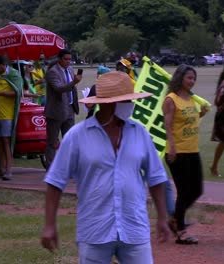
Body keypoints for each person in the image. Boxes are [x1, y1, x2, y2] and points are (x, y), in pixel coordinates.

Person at [41, 71, 170, 263]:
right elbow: (55, 182)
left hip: (134, 228)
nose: (131, 105)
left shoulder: (139, 133)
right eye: (126, 101)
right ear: (109, 104)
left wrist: (162, 217)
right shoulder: (77, 136)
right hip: (94, 230)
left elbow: (156, 177)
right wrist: (49, 225)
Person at [163, 64, 209, 245]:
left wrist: (201, 114)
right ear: (180, 78)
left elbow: (188, 121)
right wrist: (172, 147)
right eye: (189, 77)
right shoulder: (171, 99)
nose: (192, 81)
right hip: (177, 151)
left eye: (194, 78)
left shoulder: (191, 98)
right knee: (184, 191)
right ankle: (180, 231)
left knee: (197, 189)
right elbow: (168, 125)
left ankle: (175, 218)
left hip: (192, 149)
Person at [0, 54, 23, 180]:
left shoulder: (14, 74)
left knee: (6, 141)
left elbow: (18, 92)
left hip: (7, 114)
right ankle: (0, 169)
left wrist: (1, 93)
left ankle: (8, 170)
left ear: (3, 65)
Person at [44, 49, 81, 169]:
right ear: (59, 59)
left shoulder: (70, 70)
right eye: (66, 59)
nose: (68, 61)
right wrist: (74, 82)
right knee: (52, 141)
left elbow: (72, 89)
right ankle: (51, 168)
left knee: (69, 141)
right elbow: (59, 88)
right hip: (56, 111)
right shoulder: (52, 72)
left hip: (69, 109)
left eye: (70, 59)